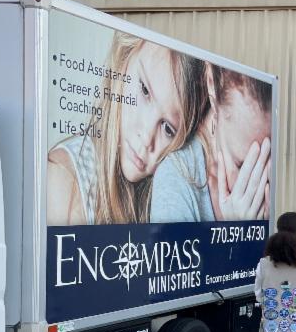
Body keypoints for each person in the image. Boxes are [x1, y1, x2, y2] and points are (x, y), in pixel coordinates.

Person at [48, 33, 209, 225]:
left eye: (168, 129)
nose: (146, 138)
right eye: (144, 90)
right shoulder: (64, 179)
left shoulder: (170, 193)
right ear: (124, 56)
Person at [150, 63, 273, 223]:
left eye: (270, 161)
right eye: (242, 165)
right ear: (212, 85)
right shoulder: (174, 183)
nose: (260, 186)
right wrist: (238, 231)